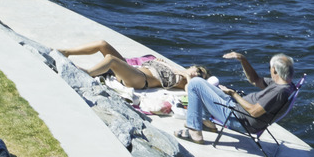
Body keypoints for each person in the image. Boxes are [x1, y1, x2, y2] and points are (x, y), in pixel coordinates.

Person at [181, 51, 298, 144]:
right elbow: (255, 80)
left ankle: (195, 133)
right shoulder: (283, 84)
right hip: (237, 109)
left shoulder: (279, 92)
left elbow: (254, 112)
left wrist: (233, 94)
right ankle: (207, 123)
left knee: (195, 83)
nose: (270, 71)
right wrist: (243, 60)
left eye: (270, 68)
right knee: (202, 84)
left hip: (238, 119)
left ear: (275, 70)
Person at [55, 39, 206, 92]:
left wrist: (188, 76)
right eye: (198, 70)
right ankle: (66, 52)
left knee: (111, 59)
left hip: (140, 80)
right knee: (102, 44)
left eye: (201, 76)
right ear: (193, 66)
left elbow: (191, 91)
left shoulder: (185, 81)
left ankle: (87, 73)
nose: (197, 74)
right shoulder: (173, 68)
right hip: (131, 69)